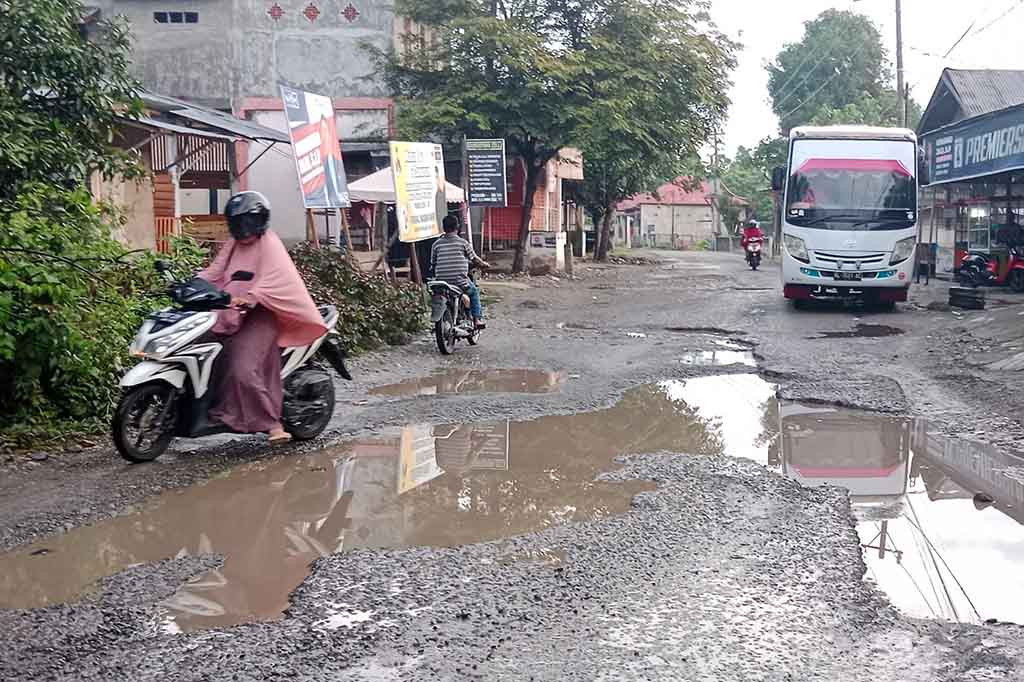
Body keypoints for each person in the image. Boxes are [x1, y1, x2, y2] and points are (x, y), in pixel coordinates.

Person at [197, 191, 327, 444]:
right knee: (207, 353)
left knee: (242, 368)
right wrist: (190, 284)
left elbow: (275, 277)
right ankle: (219, 412)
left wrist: (253, 296)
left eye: (247, 223)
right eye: (238, 224)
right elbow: (215, 271)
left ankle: (272, 424)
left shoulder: (269, 242)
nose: (243, 230)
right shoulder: (233, 244)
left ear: (258, 222)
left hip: (261, 314)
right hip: (229, 310)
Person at [430, 215, 490, 328]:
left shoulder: (436, 244)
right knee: (474, 292)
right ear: (457, 227)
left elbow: (432, 263)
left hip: (441, 282)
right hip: (459, 281)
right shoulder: (463, 243)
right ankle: (477, 319)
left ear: (443, 228)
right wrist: (484, 265)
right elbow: (475, 259)